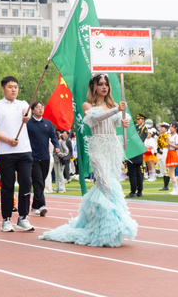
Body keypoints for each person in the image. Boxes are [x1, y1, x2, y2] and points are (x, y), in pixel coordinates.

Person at [40, 73, 137, 247]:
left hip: (113, 147)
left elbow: (118, 121)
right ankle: (107, 227)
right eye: (100, 84)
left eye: (106, 84)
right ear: (94, 86)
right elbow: (97, 117)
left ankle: (110, 229)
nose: (104, 87)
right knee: (106, 185)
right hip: (98, 146)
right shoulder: (88, 105)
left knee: (112, 185)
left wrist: (123, 121)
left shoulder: (113, 104)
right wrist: (117, 110)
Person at [0, 76, 35, 232]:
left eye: (16, 86)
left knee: (26, 183)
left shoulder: (23, 104)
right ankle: (6, 219)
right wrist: (7, 140)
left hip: (24, 151)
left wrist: (26, 117)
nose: (14, 89)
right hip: (6, 152)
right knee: (7, 186)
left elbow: (26, 114)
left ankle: (23, 217)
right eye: (10, 87)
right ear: (3, 88)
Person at [25, 100, 59, 217]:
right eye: (38, 107)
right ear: (33, 110)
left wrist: (57, 147)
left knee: (41, 183)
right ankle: (42, 205)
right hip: (33, 158)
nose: (41, 109)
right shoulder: (28, 123)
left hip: (45, 157)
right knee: (38, 181)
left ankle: (35, 206)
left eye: (42, 107)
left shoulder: (48, 123)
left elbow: (53, 137)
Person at [126, 113, 148, 197]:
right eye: (137, 119)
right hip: (134, 152)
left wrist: (133, 134)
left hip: (136, 152)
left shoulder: (143, 128)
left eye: (139, 119)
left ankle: (136, 191)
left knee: (136, 173)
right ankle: (137, 191)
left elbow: (141, 138)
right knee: (135, 173)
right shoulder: (136, 128)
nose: (138, 121)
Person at [166, 122, 178, 195]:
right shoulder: (170, 136)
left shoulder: (176, 136)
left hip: (173, 153)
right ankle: (175, 189)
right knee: (171, 173)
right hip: (169, 152)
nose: (170, 128)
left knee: (171, 173)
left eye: (171, 126)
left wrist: (170, 144)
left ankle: (176, 189)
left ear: (176, 128)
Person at [158, 122, 170, 190]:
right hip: (160, 152)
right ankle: (165, 185)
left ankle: (166, 185)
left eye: (162, 127)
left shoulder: (167, 135)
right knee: (162, 169)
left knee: (166, 169)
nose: (161, 129)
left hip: (165, 151)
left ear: (166, 128)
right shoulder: (161, 135)